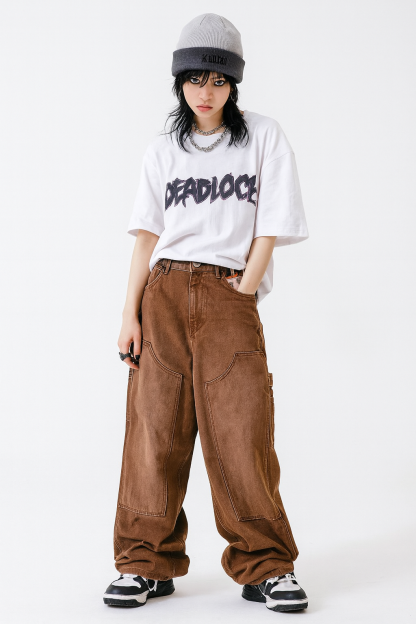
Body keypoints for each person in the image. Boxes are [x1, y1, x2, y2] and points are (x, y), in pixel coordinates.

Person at [103, 13, 309, 613]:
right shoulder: (163, 149)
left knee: (242, 430)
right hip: (162, 292)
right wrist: (129, 314)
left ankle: (266, 564)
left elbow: (274, 219)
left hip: (227, 295)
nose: (206, 91)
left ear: (234, 83)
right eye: (195, 78)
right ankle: (145, 562)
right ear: (180, 81)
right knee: (154, 430)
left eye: (219, 80)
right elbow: (147, 237)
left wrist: (246, 284)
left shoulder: (263, 136)